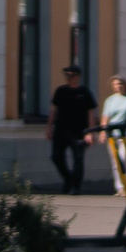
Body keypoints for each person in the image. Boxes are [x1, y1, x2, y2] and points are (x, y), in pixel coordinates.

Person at [46, 65, 97, 194]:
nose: (68, 78)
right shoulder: (60, 91)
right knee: (56, 157)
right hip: (61, 130)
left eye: (71, 75)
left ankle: (76, 186)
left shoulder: (84, 92)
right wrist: (49, 127)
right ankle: (68, 178)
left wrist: (90, 132)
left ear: (77, 76)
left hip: (79, 131)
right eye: (67, 75)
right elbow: (54, 110)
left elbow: (91, 113)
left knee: (78, 159)